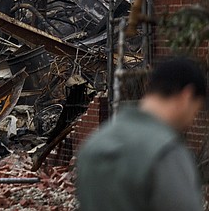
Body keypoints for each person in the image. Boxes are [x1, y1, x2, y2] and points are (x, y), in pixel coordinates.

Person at [76, 57, 207, 211]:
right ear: (186, 96)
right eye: (196, 110)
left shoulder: (93, 144)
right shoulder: (165, 152)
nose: (191, 120)